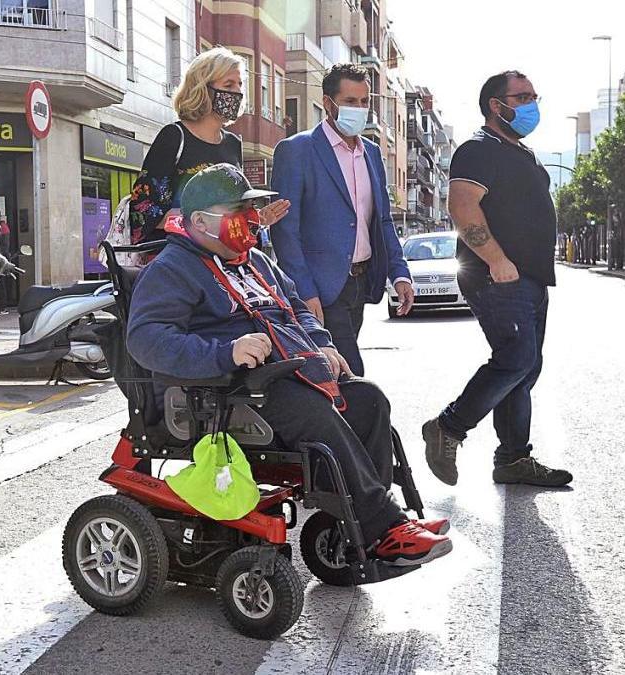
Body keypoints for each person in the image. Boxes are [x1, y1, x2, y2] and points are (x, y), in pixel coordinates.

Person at [127, 163, 452, 566]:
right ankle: (383, 525)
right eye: (237, 211)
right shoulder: (173, 268)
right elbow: (145, 340)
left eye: (250, 210)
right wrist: (225, 351)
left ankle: (365, 528)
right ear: (199, 221)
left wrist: (323, 345)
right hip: (226, 391)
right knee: (310, 410)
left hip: (288, 374)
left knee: (369, 400)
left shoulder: (256, 262)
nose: (250, 220)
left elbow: (296, 309)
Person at [422, 71, 572, 488]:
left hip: (531, 278)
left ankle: (512, 459)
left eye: (533, 96)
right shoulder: (477, 149)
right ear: (495, 104)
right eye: (521, 96)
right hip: (498, 275)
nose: (530, 104)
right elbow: (463, 207)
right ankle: (448, 427)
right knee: (517, 358)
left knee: (525, 368)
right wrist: (497, 259)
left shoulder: (522, 153)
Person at [268, 63, 413, 377]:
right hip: (321, 288)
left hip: (360, 282)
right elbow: (285, 230)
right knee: (349, 372)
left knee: (333, 374)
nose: (359, 109)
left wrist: (399, 273)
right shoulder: (297, 150)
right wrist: (304, 291)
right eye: (350, 102)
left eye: (364, 102)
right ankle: (362, 425)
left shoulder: (372, 153)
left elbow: (383, 221)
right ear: (329, 103)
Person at [128, 47, 289, 246]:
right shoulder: (174, 137)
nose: (237, 92)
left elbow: (232, 214)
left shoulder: (232, 144)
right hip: (177, 261)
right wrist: (206, 218)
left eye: (239, 85)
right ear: (202, 88)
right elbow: (143, 214)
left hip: (224, 262)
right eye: (228, 85)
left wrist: (255, 218)